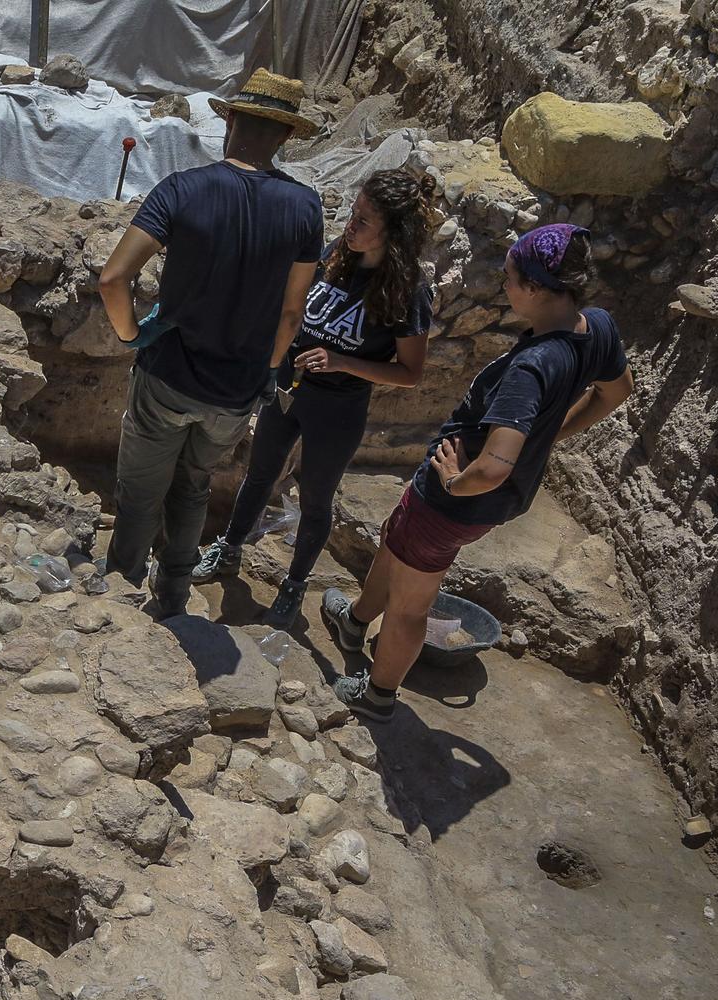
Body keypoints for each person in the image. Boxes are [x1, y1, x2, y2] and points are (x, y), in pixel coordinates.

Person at [322, 224, 633, 721]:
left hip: (451, 503)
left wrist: (454, 482)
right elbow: (614, 393)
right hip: (482, 500)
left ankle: (377, 695)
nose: (505, 287)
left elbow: (491, 467)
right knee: (393, 542)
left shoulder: (530, 369)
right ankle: (356, 623)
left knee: (410, 606)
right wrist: (547, 437)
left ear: (534, 287)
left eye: (510, 278)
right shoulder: (595, 326)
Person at [97, 69, 325, 617]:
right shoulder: (305, 208)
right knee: (194, 485)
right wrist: (266, 369)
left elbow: (112, 279)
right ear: (286, 137)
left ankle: (121, 599)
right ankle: (174, 594)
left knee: (140, 494)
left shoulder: (182, 189)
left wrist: (132, 335)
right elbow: (292, 311)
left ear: (230, 122)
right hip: (236, 389)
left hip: (168, 376)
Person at [193, 169, 437, 627]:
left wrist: (344, 362)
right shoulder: (338, 255)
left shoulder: (408, 292)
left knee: (316, 499)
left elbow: (410, 373)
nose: (351, 226)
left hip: (337, 408)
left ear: (394, 235)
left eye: (364, 221)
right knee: (259, 473)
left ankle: (295, 584)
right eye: (353, 214)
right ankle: (228, 548)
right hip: (289, 390)